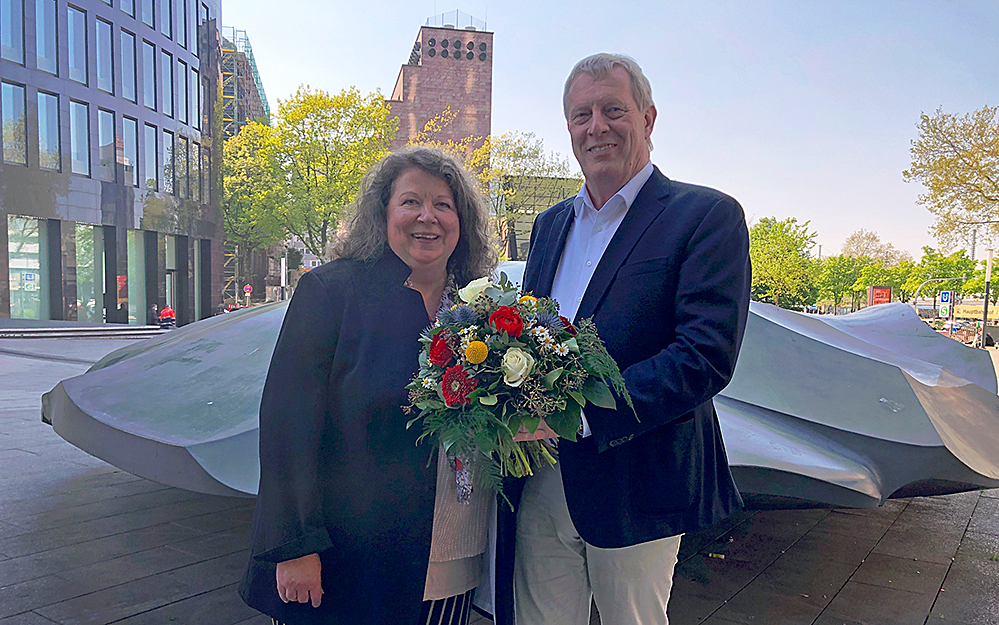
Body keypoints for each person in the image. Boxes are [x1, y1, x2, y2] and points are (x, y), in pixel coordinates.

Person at [512, 53, 752, 625]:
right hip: (542, 473)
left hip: (638, 476)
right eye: (580, 115)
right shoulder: (548, 226)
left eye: (612, 110)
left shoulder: (706, 216)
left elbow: (704, 357)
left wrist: (579, 412)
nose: (596, 126)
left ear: (648, 117)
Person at [238, 147, 498, 625]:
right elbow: (285, 426)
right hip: (343, 559)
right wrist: (294, 546)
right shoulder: (332, 292)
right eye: (411, 202)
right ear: (383, 214)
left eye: (443, 204)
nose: (428, 217)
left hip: (451, 554)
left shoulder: (480, 312)